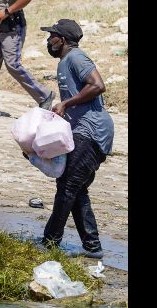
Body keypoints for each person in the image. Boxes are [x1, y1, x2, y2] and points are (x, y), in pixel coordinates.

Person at [38, 19, 113, 259]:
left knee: (68, 186)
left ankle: (50, 242)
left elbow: (98, 85)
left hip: (92, 131)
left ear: (62, 39)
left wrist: (67, 103)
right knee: (76, 189)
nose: (48, 40)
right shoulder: (64, 63)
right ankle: (92, 247)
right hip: (80, 130)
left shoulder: (76, 58)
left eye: (52, 36)